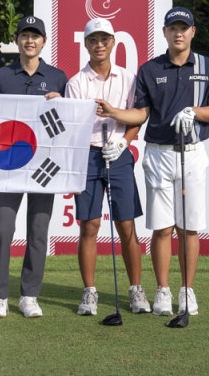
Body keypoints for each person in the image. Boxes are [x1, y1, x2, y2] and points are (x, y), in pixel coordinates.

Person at [96, 6, 209, 317]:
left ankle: (187, 291)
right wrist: (115, 113)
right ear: (165, 33)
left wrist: (194, 111)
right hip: (158, 153)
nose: (178, 33)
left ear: (193, 31)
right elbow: (141, 114)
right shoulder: (150, 69)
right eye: (173, 28)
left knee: (189, 227)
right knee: (162, 227)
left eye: (184, 28)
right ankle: (163, 291)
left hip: (192, 154)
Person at [65, 18, 151, 316]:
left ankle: (136, 288)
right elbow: (73, 126)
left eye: (104, 39)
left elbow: (138, 116)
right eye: (93, 40)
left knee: (126, 223)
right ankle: (89, 292)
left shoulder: (128, 78)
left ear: (113, 42)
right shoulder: (76, 83)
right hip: (87, 155)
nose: (99, 44)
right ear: (86, 44)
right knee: (89, 224)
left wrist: (124, 140)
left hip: (119, 153)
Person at [0, 15, 68, 318]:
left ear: (44, 41)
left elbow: (66, 124)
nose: (29, 41)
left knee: (37, 231)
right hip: (8, 165)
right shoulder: (1, 76)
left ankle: (29, 295)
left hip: (44, 166)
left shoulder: (58, 77)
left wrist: (63, 102)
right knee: (3, 229)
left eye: (35, 36)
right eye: (24, 35)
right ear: (17, 40)